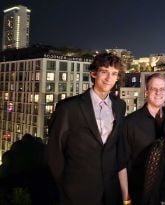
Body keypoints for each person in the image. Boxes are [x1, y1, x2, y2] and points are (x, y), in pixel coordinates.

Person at [48, 53, 129, 205]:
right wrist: (65, 186)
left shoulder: (120, 106)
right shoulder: (68, 108)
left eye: (114, 74)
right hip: (77, 193)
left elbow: (115, 148)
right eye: (104, 72)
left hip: (111, 192)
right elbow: (55, 152)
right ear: (94, 73)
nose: (108, 78)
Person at [123, 73, 165, 205]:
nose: (158, 92)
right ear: (147, 92)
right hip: (140, 194)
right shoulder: (130, 123)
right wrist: (126, 197)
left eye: (162, 89)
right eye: (154, 89)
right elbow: (122, 163)